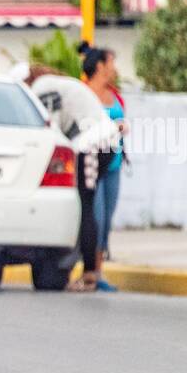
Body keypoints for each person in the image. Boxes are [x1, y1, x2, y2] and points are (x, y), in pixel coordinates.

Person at [23, 63, 120, 293]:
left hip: (92, 144)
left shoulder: (42, 88)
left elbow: (51, 130)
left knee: (86, 205)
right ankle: (87, 269)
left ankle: (89, 274)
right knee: (84, 203)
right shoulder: (59, 84)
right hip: (102, 143)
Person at [78, 42, 127, 291]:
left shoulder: (115, 94)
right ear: (100, 66)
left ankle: (98, 272)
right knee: (93, 217)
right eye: (111, 63)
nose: (114, 68)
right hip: (91, 164)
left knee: (106, 220)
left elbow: (122, 120)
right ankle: (87, 269)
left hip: (113, 163)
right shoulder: (83, 93)